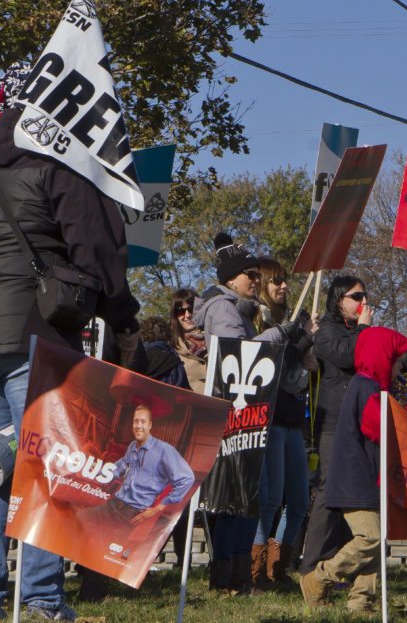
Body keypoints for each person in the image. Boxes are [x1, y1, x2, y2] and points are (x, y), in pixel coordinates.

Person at [0, 62, 141, 621]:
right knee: (49, 468)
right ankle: (43, 599)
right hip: (34, 334)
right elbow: (95, 250)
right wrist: (122, 316)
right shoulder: (57, 168)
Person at [193, 233, 308, 595]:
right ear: (230, 278)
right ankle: (229, 574)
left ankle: (240, 573)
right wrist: (280, 333)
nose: (255, 281)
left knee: (247, 499)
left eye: (257, 274)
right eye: (249, 274)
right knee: (233, 499)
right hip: (233, 416)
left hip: (247, 416)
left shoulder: (237, 309)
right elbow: (237, 354)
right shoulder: (224, 309)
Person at [300, 275, 407, 584]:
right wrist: (363, 328)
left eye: (365, 297)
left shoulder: (365, 331)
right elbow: (348, 354)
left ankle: (352, 574)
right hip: (335, 426)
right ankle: (312, 568)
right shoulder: (327, 332)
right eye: (356, 297)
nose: (363, 303)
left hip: (367, 426)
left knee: (363, 499)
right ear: (338, 300)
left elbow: (403, 359)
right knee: (328, 497)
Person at [250, 258, 313, 592]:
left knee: (299, 501)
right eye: (276, 282)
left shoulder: (291, 321)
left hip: (292, 419)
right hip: (269, 419)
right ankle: (256, 572)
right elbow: (267, 364)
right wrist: (299, 344)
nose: (283, 287)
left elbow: (293, 378)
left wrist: (306, 357)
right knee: (270, 499)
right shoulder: (258, 320)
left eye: (285, 281)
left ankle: (278, 568)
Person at [79, 404, 194, 535]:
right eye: (136, 421)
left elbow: (187, 478)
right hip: (114, 504)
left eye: (143, 422)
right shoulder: (133, 446)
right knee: (80, 517)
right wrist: (94, 468)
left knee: (102, 543)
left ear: (150, 425)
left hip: (131, 514)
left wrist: (157, 509)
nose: (139, 426)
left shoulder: (164, 450)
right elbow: (118, 468)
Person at [170, 288, 207, 393]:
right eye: (181, 311)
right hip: (197, 406)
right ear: (175, 316)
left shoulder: (215, 337)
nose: (187, 315)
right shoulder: (173, 349)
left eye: (191, 309)